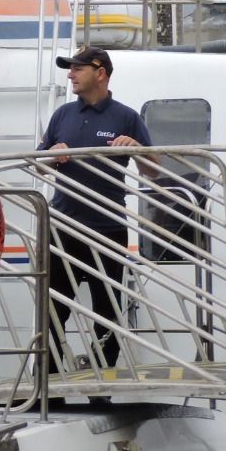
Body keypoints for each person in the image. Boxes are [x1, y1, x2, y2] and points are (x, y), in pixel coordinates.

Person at [39, 47, 159, 375]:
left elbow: (154, 170)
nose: (70, 75)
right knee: (51, 309)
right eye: (70, 69)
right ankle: (48, 386)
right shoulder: (62, 115)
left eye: (77, 69)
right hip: (62, 228)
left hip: (108, 229)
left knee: (107, 312)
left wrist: (137, 148)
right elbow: (38, 165)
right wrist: (52, 154)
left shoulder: (126, 117)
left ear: (100, 72)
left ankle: (101, 380)